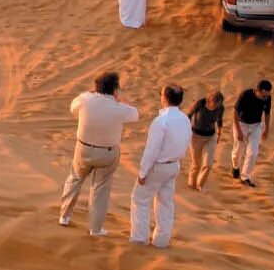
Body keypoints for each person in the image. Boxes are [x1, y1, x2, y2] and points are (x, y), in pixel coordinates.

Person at [59, 72, 138, 236]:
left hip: (83, 149)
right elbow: (135, 114)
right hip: (107, 153)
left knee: (74, 179)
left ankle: (64, 216)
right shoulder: (119, 108)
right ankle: (95, 229)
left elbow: (73, 108)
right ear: (115, 89)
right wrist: (121, 99)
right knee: (100, 190)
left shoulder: (85, 99)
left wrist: (91, 94)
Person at [131, 84, 190, 247]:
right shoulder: (185, 119)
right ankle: (161, 241)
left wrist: (143, 173)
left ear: (164, 98)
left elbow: (152, 150)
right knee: (166, 203)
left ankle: (139, 238)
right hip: (173, 166)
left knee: (140, 200)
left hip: (159, 166)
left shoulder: (161, 121)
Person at [230, 80, 272, 185]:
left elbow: (267, 114)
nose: (266, 98)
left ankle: (245, 177)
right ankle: (235, 167)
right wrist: (238, 130)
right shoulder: (245, 95)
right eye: (264, 95)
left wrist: (266, 129)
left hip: (256, 126)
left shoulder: (267, 97)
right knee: (238, 151)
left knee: (253, 152)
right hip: (241, 124)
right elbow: (235, 112)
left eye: (267, 95)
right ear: (258, 91)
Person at [186, 90, 225, 189]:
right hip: (196, 137)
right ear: (210, 101)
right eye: (216, 104)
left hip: (210, 137)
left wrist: (219, 133)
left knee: (208, 164)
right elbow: (188, 115)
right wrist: (185, 130)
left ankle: (201, 185)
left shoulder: (220, 108)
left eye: (219, 105)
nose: (217, 107)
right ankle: (192, 183)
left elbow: (220, 119)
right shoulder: (200, 103)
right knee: (196, 163)